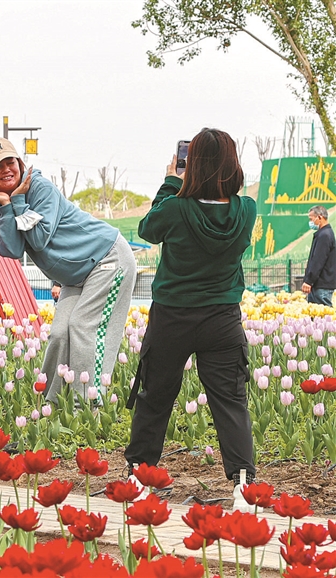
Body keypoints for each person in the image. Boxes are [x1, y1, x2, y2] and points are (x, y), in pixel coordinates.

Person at [123, 128, 257, 511]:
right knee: (230, 401)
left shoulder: (176, 208)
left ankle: (139, 474)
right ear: (233, 164)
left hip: (172, 318)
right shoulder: (246, 209)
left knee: (156, 396)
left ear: (190, 164)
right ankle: (243, 483)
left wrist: (171, 182)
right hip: (223, 319)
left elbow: (149, 229)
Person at [0, 137, 136, 403]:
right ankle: (51, 405)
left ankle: (87, 406)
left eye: (10, 161)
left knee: (82, 326)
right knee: (60, 333)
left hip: (107, 258)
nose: (6, 169)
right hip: (76, 275)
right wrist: (7, 206)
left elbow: (39, 239)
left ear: (19, 163)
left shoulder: (40, 187)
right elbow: (14, 250)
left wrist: (17, 202)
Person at [302, 205, 336, 306]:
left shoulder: (324, 235)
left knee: (323, 317)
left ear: (320, 217)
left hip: (321, 285)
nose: (310, 222)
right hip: (319, 284)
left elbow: (318, 260)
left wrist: (309, 280)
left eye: (311, 219)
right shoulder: (323, 233)